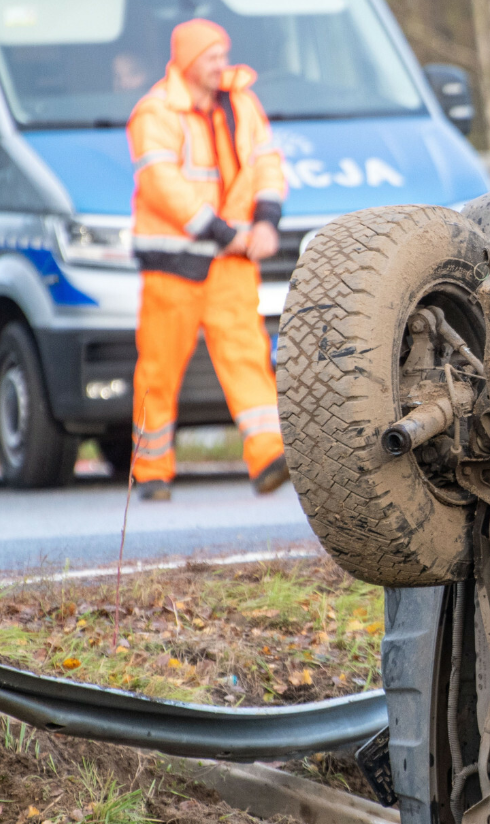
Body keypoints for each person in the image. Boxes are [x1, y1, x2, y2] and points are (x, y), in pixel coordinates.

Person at [126, 19, 288, 501]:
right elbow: (162, 188)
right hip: (176, 263)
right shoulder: (155, 112)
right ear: (190, 61)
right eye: (213, 57)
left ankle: (269, 456)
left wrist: (266, 220)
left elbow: (267, 163)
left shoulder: (241, 101)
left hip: (231, 259)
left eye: (223, 54)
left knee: (248, 356)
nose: (223, 63)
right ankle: (151, 471)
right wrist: (222, 232)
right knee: (158, 367)